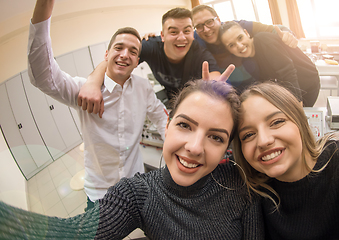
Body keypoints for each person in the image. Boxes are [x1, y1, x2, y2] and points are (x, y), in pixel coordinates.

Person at [0, 78, 265, 239]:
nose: (195, 148)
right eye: (185, 125)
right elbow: (74, 234)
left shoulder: (239, 182)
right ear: (168, 124)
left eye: (215, 137)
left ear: (227, 148)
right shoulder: (137, 195)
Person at [28, 0, 168, 210]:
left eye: (132, 51)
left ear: (137, 60)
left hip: (136, 182)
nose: (124, 54)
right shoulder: (83, 90)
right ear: (106, 55)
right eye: (118, 48)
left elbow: (160, 116)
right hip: (100, 193)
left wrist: (174, 145)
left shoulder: (143, 87)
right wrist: (44, 6)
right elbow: (42, 76)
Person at [232, 82, 339, 239]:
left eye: (276, 122)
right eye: (248, 135)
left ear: (300, 120)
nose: (263, 141)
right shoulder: (248, 191)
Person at [78, 7, 221, 117]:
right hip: (171, 98)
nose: (181, 37)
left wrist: (214, 88)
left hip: (193, 99)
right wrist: (92, 83)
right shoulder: (151, 46)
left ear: (193, 34)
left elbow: (216, 77)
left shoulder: (200, 53)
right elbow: (113, 61)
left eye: (187, 31)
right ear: (162, 35)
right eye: (173, 32)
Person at [191, 4, 299, 91]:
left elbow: (274, 29)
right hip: (229, 88)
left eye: (209, 22)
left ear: (218, 19)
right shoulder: (196, 38)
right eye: (199, 26)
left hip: (257, 82)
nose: (206, 29)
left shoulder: (236, 27)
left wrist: (287, 34)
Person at [219, 21, 320, 107]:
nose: (240, 46)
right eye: (232, 45)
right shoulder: (246, 62)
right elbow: (264, 83)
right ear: (228, 50)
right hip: (289, 90)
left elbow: (287, 72)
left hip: (307, 85)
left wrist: (298, 106)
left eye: (240, 38)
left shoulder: (264, 40)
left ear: (247, 33)